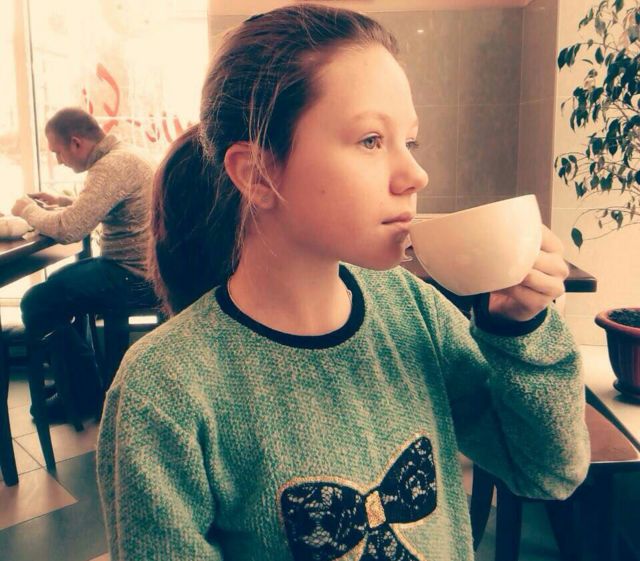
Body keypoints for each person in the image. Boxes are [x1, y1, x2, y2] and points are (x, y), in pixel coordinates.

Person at [97, 5, 590, 560]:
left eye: (411, 142)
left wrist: (520, 328)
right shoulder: (163, 391)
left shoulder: (413, 312)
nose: (416, 175)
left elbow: (547, 471)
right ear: (258, 174)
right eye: (371, 140)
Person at [12, 107, 156, 421]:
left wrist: (26, 210)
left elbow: (70, 229)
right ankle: (77, 385)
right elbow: (104, 204)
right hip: (145, 269)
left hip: (132, 276)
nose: (58, 160)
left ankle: (82, 395)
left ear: (76, 142)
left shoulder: (110, 166)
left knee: (37, 301)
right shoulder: (125, 154)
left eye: (57, 152)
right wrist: (64, 202)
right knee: (57, 291)